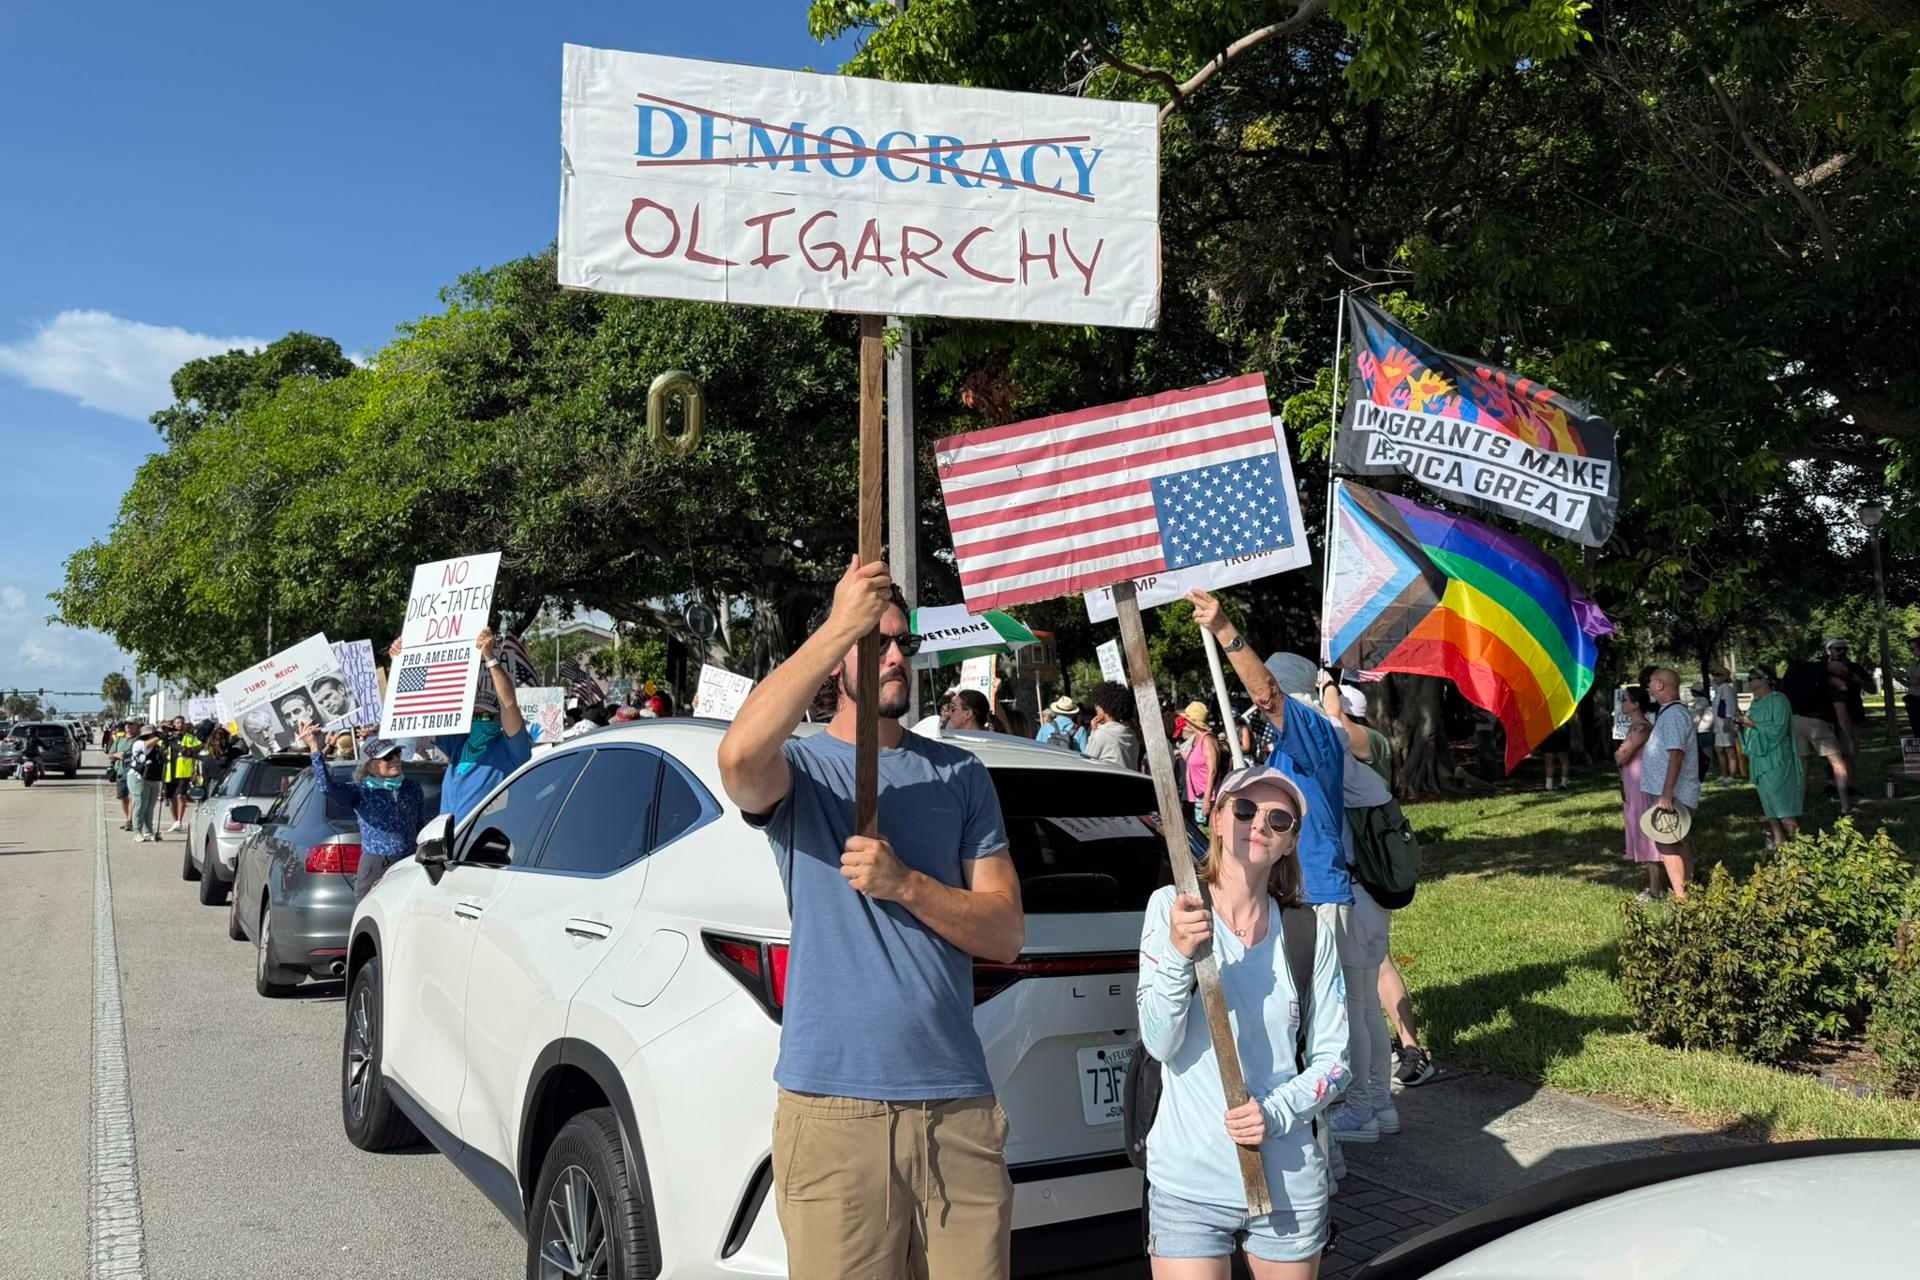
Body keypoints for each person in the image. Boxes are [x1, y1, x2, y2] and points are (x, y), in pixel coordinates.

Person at [715, 556, 1023, 1279]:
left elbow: (1006, 931)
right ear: (839, 661)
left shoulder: (960, 775)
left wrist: (906, 884)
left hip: (958, 1112)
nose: (893, 658)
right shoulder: (803, 771)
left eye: (901, 646)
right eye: (874, 643)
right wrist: (836, 627)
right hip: (835, 1115)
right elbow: (737, 758)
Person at [1137, 766, 1348, 1278]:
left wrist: (1274, 1113)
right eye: (1246, 809)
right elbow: (1159, 1040)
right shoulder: (1173, 907)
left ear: (1290, 843)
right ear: (1215, 818)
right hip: (1190, 1181)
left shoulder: (1308, 932)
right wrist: (1179, 954)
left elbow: (1335, 1062)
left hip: (1288, 1182)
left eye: (1279, 819)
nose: (1259, 825)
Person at [1186, 590, 1368, 1154]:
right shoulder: (1290, 749)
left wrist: (1223, 630)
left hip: (1314, 897)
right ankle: (1344, 1126)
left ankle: (1330, 1141)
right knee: (1313, 1019)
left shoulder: (1310, 731)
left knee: (1321, 1026)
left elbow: (1264, 694)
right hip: (1294, 894)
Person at [1319, 678, 1402, 1138]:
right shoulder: (1378, 758)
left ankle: (1363, 1109)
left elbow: (1332, 730)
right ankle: (1381, 1103)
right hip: (1376, 890)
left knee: (1355, 1004)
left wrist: (1327, 693)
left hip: (1357, 889)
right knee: (1367, 1000)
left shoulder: (1353, 761)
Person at [387, 628, 532, 822]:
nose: (478, 711)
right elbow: (420, 706)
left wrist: (489, 657)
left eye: (485, 714)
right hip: (449, 839)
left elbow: (509, 704)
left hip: (484, 839)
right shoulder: (458, 743)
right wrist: (404, 659)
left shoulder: (512, 748)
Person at [297, 723, 425, 901]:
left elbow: (420, 824)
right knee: (367, 913)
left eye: (397, 753)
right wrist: (314, 748)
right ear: (371, 765)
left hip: (409, 861)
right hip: (376, 863)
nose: (395, 759)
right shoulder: (361, 790)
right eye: (388, 757)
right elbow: (327, 788)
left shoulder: (412, 787)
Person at [1643, 669, 1700, 900]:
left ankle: (1681, 897)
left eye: (1650, 683)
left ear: (1659, 685)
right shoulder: (1669, 713)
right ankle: (1688, 890)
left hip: (1674, 794)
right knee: (1678, 840)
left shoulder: (1674, 715)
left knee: (1667, 843)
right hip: (1670, 792)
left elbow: (1676, 755)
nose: (1648, 687)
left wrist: (1666, 794)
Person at [1779, 653, 1856, 815]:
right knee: (1837, 763)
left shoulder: (1803, 672)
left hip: (1794, 721)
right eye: (1842, 668)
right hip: (1817, 723)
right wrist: (1849, 739)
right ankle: (1845, 805)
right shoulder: (1831, 684)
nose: (1843, 671)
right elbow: (1841, 714)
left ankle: (1798, 806)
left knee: (1802, 767)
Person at [1737, 666, 1803, 849]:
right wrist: (1742, 725)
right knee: (1768, 803)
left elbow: (1779, 730)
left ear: (1767, 679)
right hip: (1759, 759)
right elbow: (1752, 731)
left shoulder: (1779, 700)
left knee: (1782, 805)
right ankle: (1779, 841)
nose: (1750, 682)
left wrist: (1754, 724)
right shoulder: (1755, 703)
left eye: (1754, 677)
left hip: (1777, 758)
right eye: (1749, 679)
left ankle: (1800, 847)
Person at [1615, 687, 1665, 899]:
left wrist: (1619, 753)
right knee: (1641, 829)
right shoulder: (1637, 727)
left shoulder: (1641, 727)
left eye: (1625, 700)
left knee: (1648, 832)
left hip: (1640, 784)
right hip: (1633, 783)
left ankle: (1656, 889)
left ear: (1636, 704)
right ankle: (1654, 885)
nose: (1622, 704)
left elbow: (1622, 756)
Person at [1084, 681, 1143, 771]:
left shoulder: (1102, 733)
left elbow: (1087, 761)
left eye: (1097, 706)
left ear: (1103, 708)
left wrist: (1093, 732)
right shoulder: (1131, 734)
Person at [1181, 702, 1222, 828]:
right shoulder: (1198, 738)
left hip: (1206, 796)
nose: (1184, 721)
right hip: (1200, 795)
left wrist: (1206, 799)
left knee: (1204, 831)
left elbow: (1212, 770)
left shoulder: (1207, 740)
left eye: (1186, 719)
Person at [164, 715, 201, 832]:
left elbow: (199, 747)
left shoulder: (190, 737)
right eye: (177, 723)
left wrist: (189, 751)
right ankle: (176, 821)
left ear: (184, 725)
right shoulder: (169, 738)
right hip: (170, 771)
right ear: (174, 724)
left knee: (180, 795)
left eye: (181, 722)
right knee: (171, 797)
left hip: (183, 771)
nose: (179, 725)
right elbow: (161, 747)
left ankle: (179, 820)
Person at [130, 728, 166, 841]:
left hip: (154, 778)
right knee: (140, 805)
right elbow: (146, 746)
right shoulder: (138, 743)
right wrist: (159, 736)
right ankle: (137, 831)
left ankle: (148, 831)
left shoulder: (157, 746)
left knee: (150, 807)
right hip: (139, 778)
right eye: (152, 735)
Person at [1711, 668, 1741, 778]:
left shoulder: (1727, 688)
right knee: (1719, 749)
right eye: (1714, 675)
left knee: (1729, 750)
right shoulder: (1719, 688)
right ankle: (1724, 774)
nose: (1715, 677)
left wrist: (1728, 721)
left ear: (1725, 677)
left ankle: (1732, 774)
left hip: (1725, 722)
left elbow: (1730, 705)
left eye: (1718, 674)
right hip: (1718, 724)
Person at [109, 720, 137, 829]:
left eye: (131, 724)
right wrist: (117, 755)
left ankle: (130, 820)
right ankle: (128, 819)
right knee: (123, 798)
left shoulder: (138, 740)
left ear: (136, 727)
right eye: (127, 725)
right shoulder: (120, 740)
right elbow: (110, 755)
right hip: (121, 772)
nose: (128, 727)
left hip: (134, 772)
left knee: (133, 797)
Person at [1689, 685, 1717, 781]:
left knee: (1706, 749)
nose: (1691, 693)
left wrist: (1694, 726)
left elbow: (1699, 714)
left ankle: (1710, 767)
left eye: (1692, 691)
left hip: (1702, 729)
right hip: (1700, 729)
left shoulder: (1701, 700)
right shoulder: (1699, 700)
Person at [1535, 722, 1572, 791]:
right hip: (1559, 730)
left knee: (1551, 760)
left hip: (1552, 730)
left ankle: (1550, 786)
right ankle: (1562, 784)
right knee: (1562, 760)